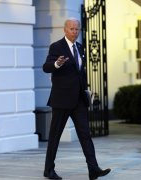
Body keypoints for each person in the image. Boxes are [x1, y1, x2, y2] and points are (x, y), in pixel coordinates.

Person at [42, 17, 111, 180]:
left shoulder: (80, 47)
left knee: (85, 135)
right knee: (55, 136)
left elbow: (80, 73)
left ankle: (93, 169)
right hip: (61, 99)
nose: (75, 32)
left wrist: (86, 91)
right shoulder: (56, 46)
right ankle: (48, 170)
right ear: (65, 30)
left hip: (78, 100)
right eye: (72, 29)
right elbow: (46, 67)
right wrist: (57, 64)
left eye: (77, 29)